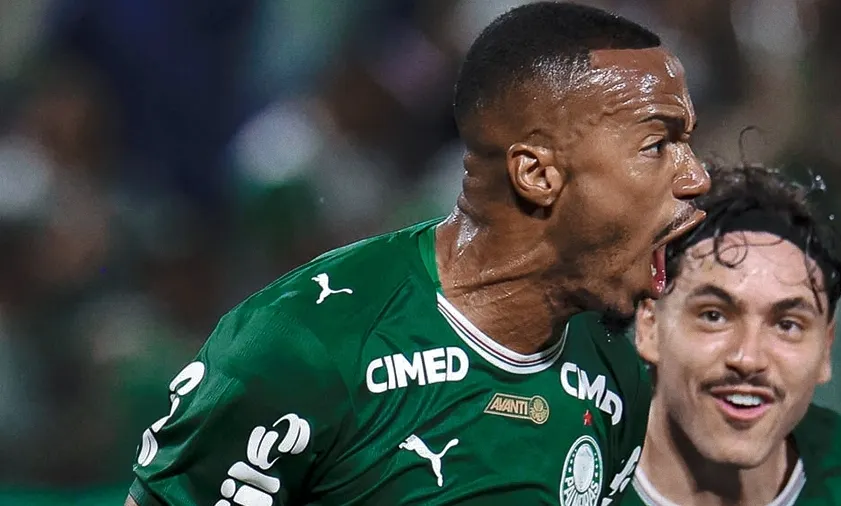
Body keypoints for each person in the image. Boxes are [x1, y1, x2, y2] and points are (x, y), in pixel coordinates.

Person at [125, 2, 710, 505]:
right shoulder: (304, 347)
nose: (698, 177)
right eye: (658, 144)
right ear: (536, 173)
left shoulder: (620, 370)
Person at [625, 164, 841, 505]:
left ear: (826, 350)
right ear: (649, 326)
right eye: (714, 316)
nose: (748, 358)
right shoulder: (572, 473)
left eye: (788, 325)